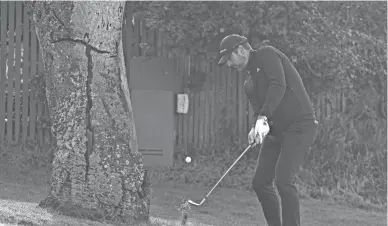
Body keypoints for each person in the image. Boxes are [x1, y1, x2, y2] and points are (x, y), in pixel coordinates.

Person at [218, 34, 319, 226]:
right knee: (260, 182)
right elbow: (259, 111)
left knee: (284, 180)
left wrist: (263, 117)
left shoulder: (267, 54)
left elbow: (278, 85)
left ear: (240, 50)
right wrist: (256, 128)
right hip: (276, 131)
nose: (229, 65)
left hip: (300, 125)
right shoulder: (249, 83)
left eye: (229, 59)